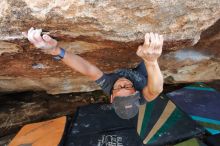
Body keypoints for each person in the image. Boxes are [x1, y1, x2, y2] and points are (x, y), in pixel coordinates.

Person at [22, 28, 164, 119]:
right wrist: (151, 61)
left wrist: (56, 51)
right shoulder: (143, 97)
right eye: (128, 88)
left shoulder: (108, 86)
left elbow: (88, 70)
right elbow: (155, 89)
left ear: (111, 97)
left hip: (131, 69)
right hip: (144, 71)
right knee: (147, 63)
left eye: (119, 88)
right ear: (136, 95)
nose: (123, 83)